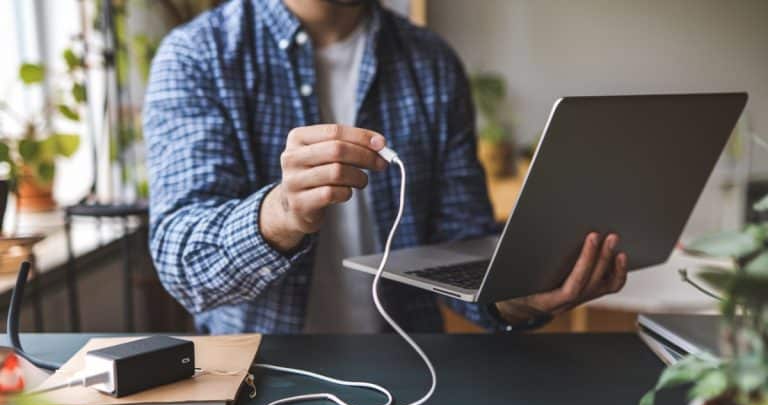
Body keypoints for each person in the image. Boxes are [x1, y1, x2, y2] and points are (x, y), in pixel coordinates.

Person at [144, 0, 628, 335]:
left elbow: (462, 246)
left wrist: (516, 301)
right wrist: (280, 214)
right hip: (263, 376)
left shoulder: (432, 63)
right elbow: (180, 262)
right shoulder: (198, 56)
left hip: (410, 374)